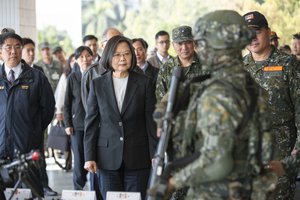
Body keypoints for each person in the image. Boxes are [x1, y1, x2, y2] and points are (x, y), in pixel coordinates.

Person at [164, 10, 275, 200]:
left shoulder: (218, 93)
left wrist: (171, 184)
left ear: (216, 45)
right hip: (248, 188)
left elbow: (217, 162)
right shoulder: (248, 84)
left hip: (217, 191)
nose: (198, 49)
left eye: (200, 43)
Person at [84, 35, 157, 200]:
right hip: (106, 157)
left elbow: (150, 121)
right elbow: (91, 122)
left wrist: (155, 153)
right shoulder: (97, 84)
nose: (122, 59)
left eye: (127, 54)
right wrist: (89, 157)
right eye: (117, 55)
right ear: (108, 57)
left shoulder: (145, 83)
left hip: (138, 155)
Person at [243, 11, 300, 200]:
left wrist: (294, 156)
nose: (252, 38)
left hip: (280, 157)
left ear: (268, 32)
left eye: (256, 31)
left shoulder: (288, 65)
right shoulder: (238, 68)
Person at [0, 32, 55, 196]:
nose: (13, 51)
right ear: (0, 51)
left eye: (17, 47)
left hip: (27, 153)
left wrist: (32, 131)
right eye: (8, 47)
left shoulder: (37, 78)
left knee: (30, 194)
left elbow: (48, 110)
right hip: (1, 151)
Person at [21, 37, 59, 196]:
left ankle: (44, 185)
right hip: (19, 126)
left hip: (36, 125)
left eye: (32, 50)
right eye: (27, 50)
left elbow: (47, 104)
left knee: (39, 157)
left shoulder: (38, 70)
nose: (31, 53)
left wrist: (39, 124)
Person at [155, 25, 209, 102]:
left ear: (194, 43)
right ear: (173, 45)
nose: (184, 47)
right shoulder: (166, 67)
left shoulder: (206, 64)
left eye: (188, 42)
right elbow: (160, 99)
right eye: (180, 43)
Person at [64, 46, 93, 190]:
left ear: (92, 58)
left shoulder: (97, 75)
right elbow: (67, 103)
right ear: (76, 60)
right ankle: (78, 190)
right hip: (77, 126)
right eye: (81, 57)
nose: (85, 59)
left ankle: (95, 189)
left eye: (88, 56)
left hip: (94, 125)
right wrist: (68, 123)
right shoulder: (73, 77)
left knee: (93, 158)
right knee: (79, 159)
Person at [81, 27, 122, 111]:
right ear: (102, 45)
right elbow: (89, 110)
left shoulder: (131, 69)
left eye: (120, 41)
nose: (116, 45)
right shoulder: (90, 73)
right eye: (111, 41)